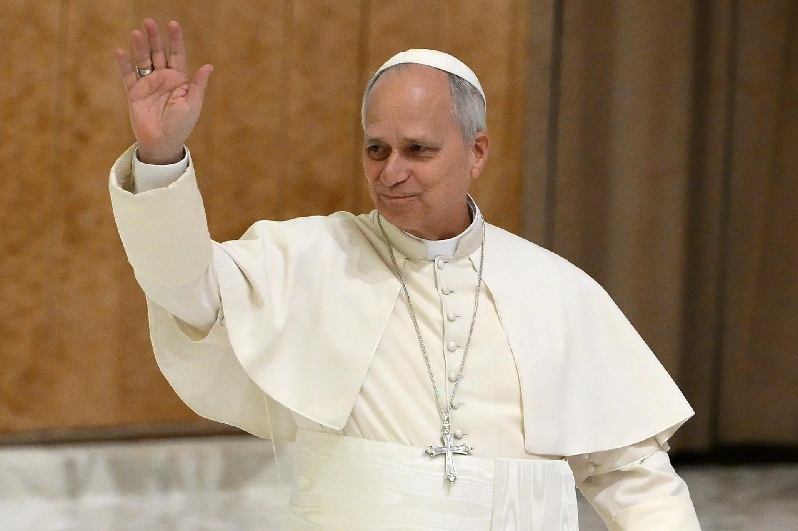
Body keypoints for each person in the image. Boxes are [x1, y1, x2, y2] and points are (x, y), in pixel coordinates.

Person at [110, 19, 702, 530]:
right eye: (377, 150)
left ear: (477, 151)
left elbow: (633, 476)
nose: (392, 173)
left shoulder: (556, 290)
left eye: (418, 150)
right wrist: (161, 158)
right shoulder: (309, 256)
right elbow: (183, 290)